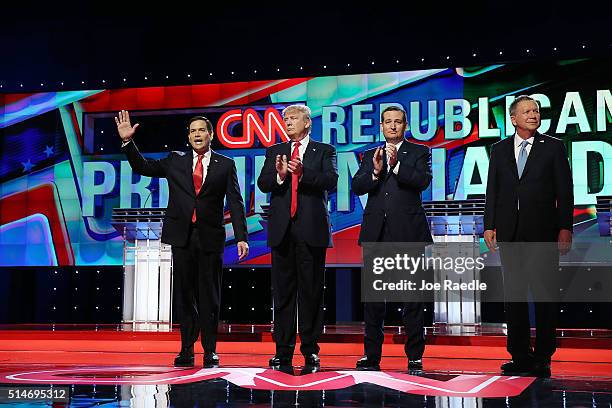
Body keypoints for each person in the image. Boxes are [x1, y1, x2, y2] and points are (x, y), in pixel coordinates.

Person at [116, 110, 249, 368]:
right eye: (192, 131)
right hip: (182, 237)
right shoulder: (175, 161)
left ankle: (210, 350)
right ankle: (186, 349)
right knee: (184, 295)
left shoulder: (225, 164)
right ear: (188, 137)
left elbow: (236, 201)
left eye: (201, 130)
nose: (197, 134)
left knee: (210, 296)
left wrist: (242, 236)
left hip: (210, 237)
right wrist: (127, 142)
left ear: (211, 135)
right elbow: (142, 166)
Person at [483, 95, 574, 377]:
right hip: (510, 233)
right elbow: (493, 191)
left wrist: (565, 228)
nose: (533, 115)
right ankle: (519, 355)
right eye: (526, 111)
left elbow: (565, 191)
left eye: (535, 110)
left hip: (543, 233)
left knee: (545, 296)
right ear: (513, 118)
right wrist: (490, 225)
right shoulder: (498, 150)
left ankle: (543, 355)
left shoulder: (554, 147)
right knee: (515, 297)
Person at [257, 104, 338, 371]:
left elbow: (331, 181)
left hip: (311, 232)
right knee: (282, 295)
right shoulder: (275, 151)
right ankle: (282, 351)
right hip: (282, 232)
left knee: (311, 294)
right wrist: (281, 177)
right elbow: (263, 183)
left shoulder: (325, 151)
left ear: (307, 123)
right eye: (285, 119)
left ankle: (311, 352)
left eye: (293, 118)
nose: (288, 122)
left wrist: (303, 174)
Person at [352, 106, 433, 371]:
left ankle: (414, 356)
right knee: (374, 302)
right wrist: (375, 172)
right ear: (382, 126)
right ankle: (372, 356)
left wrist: (396, 165)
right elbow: (358, 185)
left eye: (398, 122)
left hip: (409, 234)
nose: (393, 126)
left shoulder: (420, 152)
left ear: (405, 125)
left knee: (412, 300)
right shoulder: (369, 154)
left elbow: (422, 181)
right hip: (377, 234)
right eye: (388, 122)